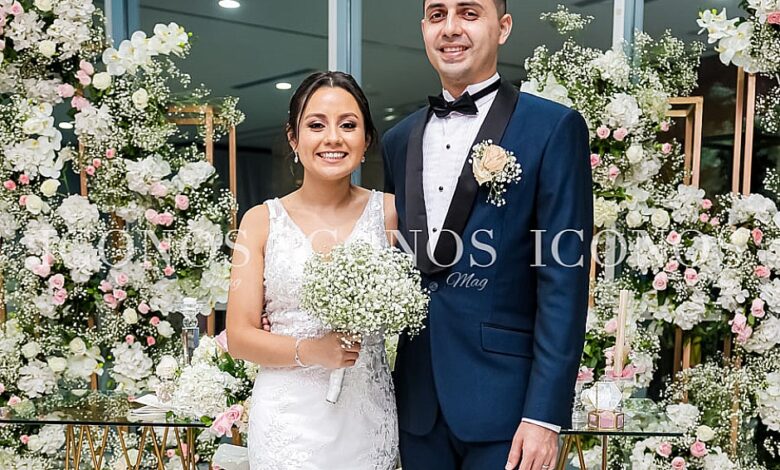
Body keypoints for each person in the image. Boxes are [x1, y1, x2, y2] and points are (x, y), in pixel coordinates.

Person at [381, 1, 593, 469]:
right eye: (437, 15)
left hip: (509, 413)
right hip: (417, 408)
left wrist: (544, 416)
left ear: (503, 27)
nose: (451, 28)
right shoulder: (397, 140)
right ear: (423, 30)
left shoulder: (553, 127)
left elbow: (564, 282)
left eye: (469, 13)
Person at [225, 71, 399, 470]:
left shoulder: (392, 215)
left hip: (366, 418)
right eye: (316, 125)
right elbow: (239, 336)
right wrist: (313, 351)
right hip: (287, 422)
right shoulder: (260, 221)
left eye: (348, 125)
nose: (333, 138)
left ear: (366, 139)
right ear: (293, 138)